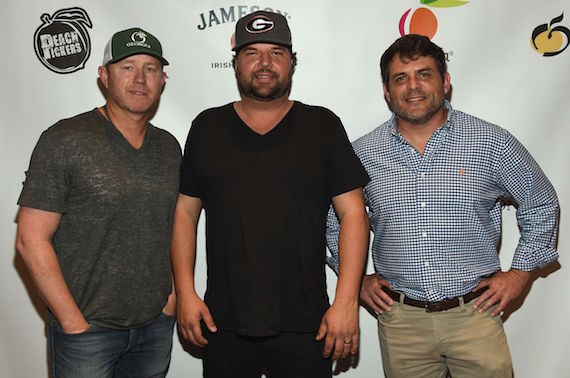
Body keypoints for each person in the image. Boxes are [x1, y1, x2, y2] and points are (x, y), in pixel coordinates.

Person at [326, 34, 559, 378]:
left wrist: (520, 274)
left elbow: (541, 202)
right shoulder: (362, 154)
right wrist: (356, 280)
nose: (413, 87)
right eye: (400, 78)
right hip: (402, 323)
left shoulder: (489, 142)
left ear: (445, 82)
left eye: (424, 74)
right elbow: (335, 222)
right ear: (387, 92)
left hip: (475, 316)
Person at [171, 10, 370, 378]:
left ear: (292, 62)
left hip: (307, 322)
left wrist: (346, 302)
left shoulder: (323, 125)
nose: (264, 63)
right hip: (222, 322)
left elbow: (354, 214)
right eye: (252, 53)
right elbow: (185, 213)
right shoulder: (206, 126)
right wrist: (185, 292)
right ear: (235, 64)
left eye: (276, 52)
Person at [16, 27, 180, 378]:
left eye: (150, 68)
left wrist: (170, 301)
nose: (140, 79)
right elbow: (30, 240)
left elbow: (169, 227)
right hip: (87, 333)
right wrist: (72, 321)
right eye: (127, 67)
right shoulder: (64, 139)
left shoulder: (169, 147)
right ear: (104, 76)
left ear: (163, 79)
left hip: (154, 327)